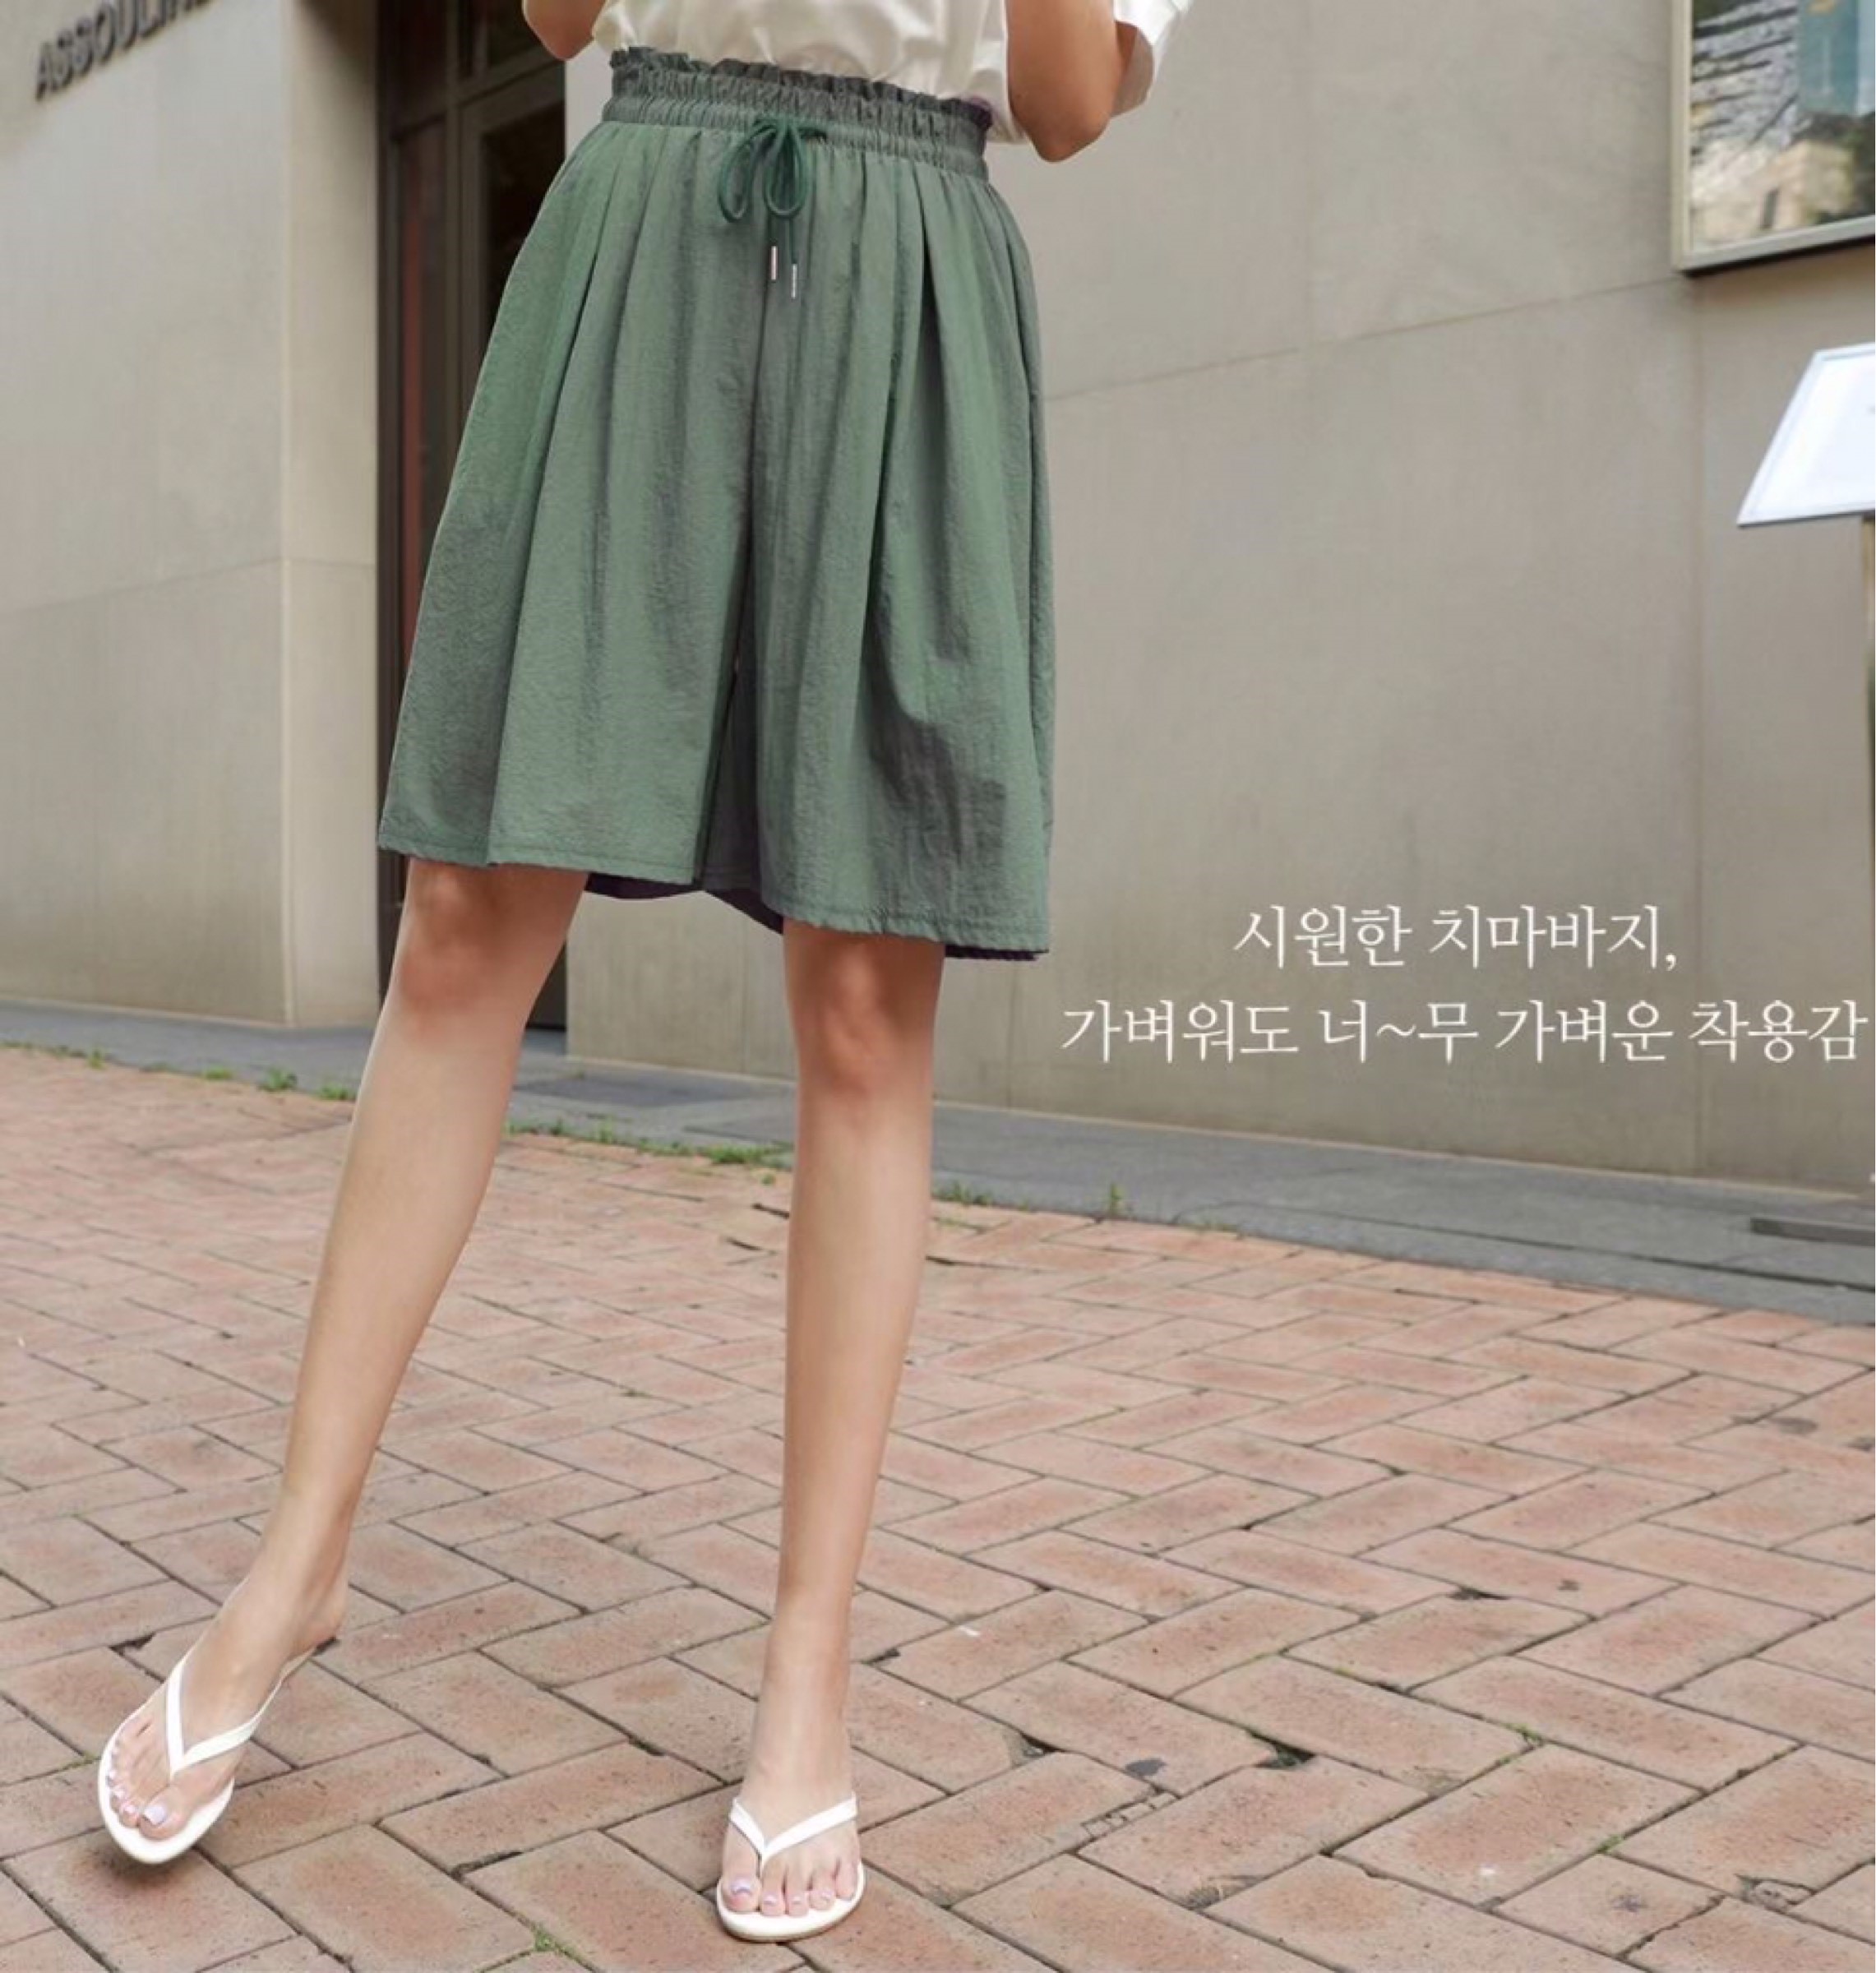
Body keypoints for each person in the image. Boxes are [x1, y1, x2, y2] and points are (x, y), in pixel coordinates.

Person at [96, 0, 1194, 1946]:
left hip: (907, 266)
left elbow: (1067, 102)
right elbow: (556, 16)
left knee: (865, 1006)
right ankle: (294, 1564)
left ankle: (807, 1665)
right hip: (644, 213)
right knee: (463, 921)